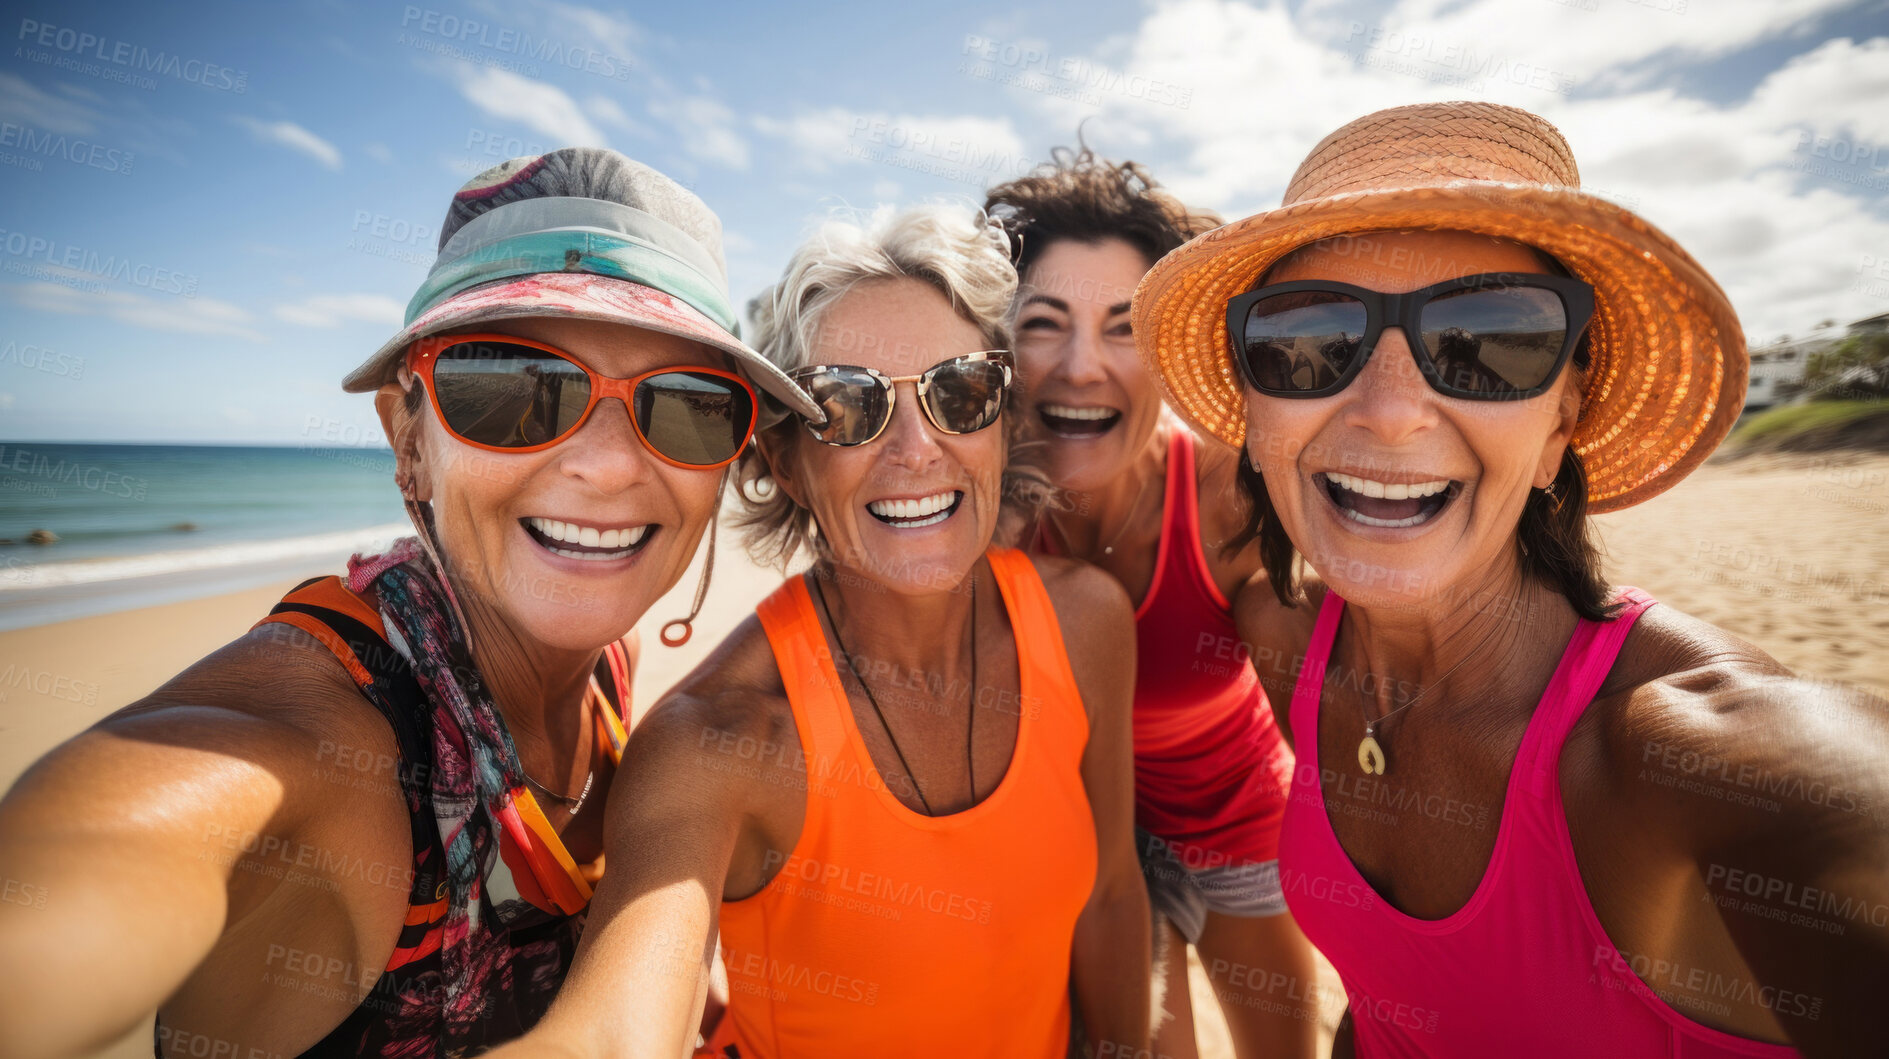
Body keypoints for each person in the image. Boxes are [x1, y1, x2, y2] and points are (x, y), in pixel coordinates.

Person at [0, 147, 825, 1057]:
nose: (610, 462)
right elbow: (85, 872)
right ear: (408, 440)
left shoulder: (606, 663)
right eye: (512, 389)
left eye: (686, 405)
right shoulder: (334, 746)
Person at [1138, 101, 1889, 1055]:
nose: (1389, 411)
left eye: (1489, 341)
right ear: (1255, 411)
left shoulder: (1695, 757)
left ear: (1562, 423)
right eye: (1312, 341)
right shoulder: (1288, 648)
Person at [485, 204, 1151, 1058]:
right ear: (786, 463)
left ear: (1002, 422)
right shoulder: (717, 740)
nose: (916, 449)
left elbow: (1111, 897)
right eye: (847, 405)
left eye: (960, 391)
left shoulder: (1084, 620)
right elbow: (616, 1028)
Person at [986, 151, 1318, 1057]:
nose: (1081, 366)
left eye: (1125, 329)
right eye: (1044, 325)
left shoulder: (1227, 497)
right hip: (1096, 839)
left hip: (1236, 810)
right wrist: (1001, 535)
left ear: (1173, 352)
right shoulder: (968, 513)